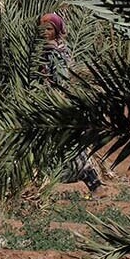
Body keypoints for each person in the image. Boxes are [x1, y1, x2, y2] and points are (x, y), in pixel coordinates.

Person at [39, 12, 101, 194]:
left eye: (49, 29)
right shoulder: (52, 50)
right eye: (43, 29)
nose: (45, 32)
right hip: (55, 102)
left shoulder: (54, 52)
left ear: (56, 30)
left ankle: (93, 182)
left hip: (59, 103)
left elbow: (60, 79)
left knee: (70, 143)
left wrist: (55, 96)